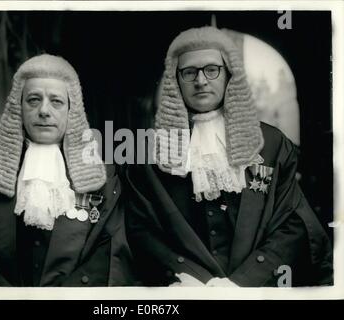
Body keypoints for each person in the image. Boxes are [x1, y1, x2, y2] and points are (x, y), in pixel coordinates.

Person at [125, 26, 333, 287]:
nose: (201, 81)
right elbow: (140, 229)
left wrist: (242, 283)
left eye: (212, 70)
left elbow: (293, 222)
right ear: (175, 80)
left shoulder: (271, 144)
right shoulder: (148, 153)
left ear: (229, 75)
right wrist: (185, 277)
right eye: (189, 72)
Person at [0, 54, 134, 287]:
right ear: (19, 109)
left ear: (71, 111)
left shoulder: (104, 181)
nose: (44, 111)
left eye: (56, 101)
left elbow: (109, 257)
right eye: (33, 100)